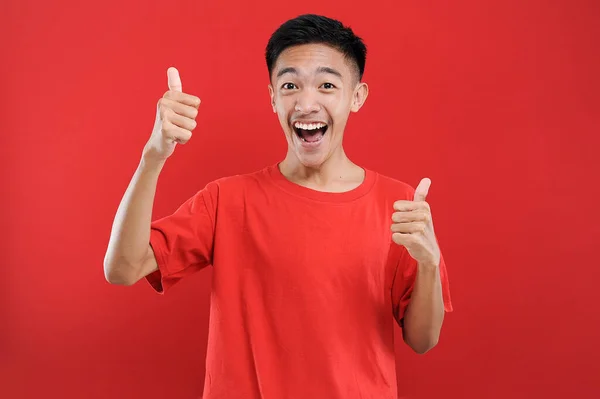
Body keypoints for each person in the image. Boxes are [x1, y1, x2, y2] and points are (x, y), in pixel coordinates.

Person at [104, 13, 453, 399]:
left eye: (326, 85)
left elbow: (423, 340)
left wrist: (429, 263)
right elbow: (122, 268)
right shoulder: (227, 200)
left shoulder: (400, 205)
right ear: (272, 97)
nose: (306, 103)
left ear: (356, 96)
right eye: (290, 85)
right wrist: (153, 157)